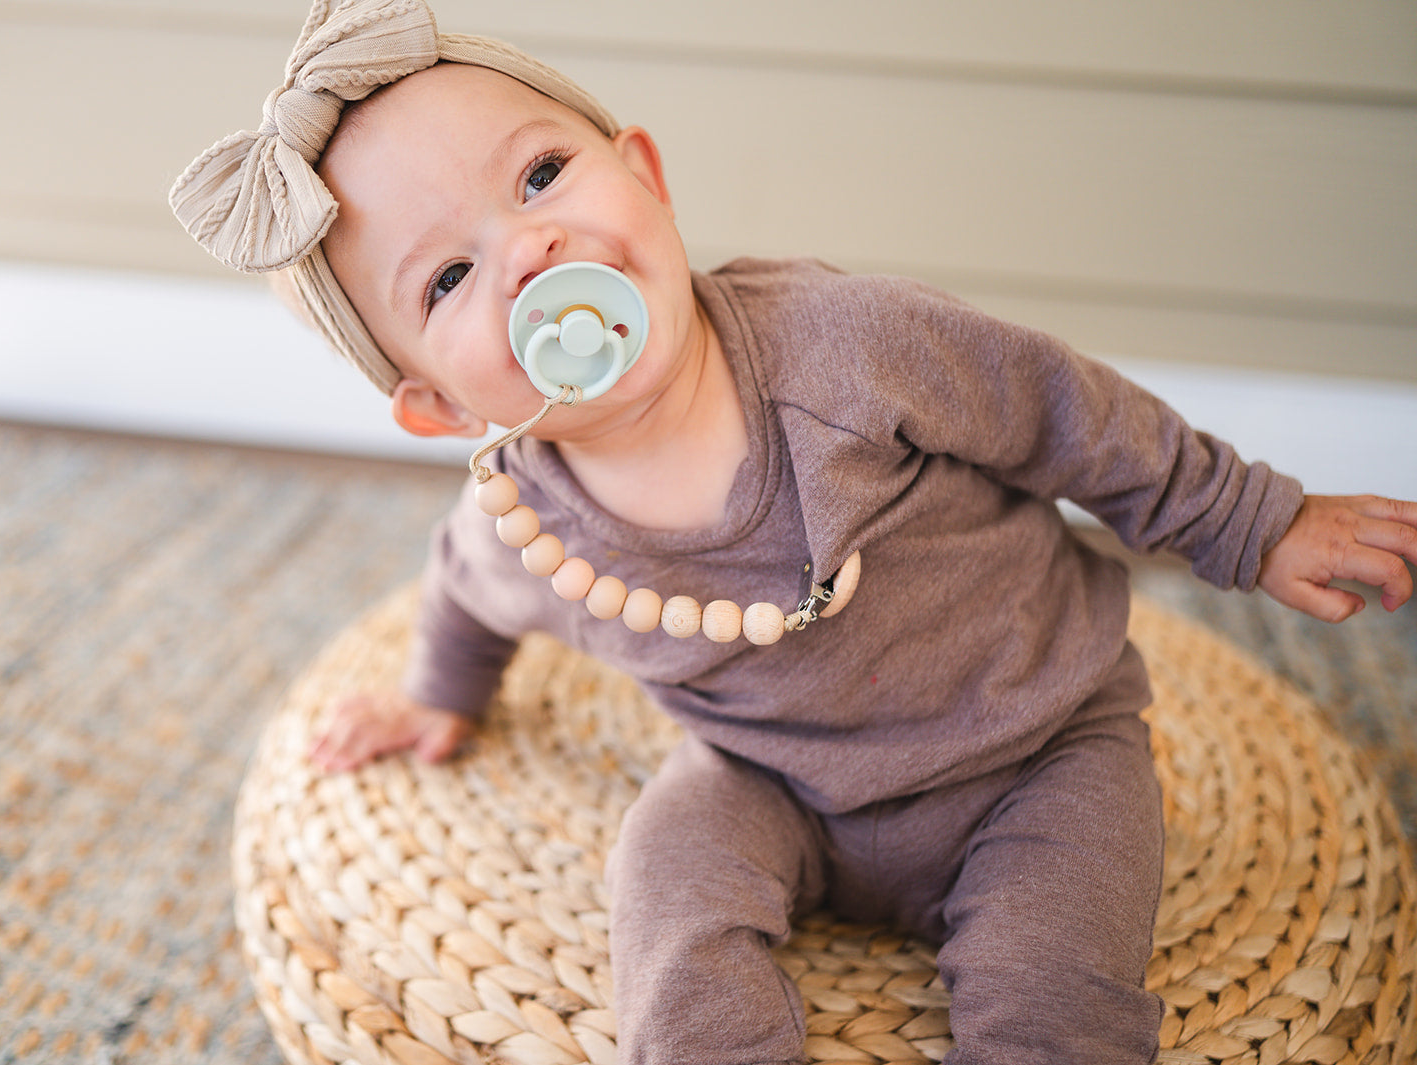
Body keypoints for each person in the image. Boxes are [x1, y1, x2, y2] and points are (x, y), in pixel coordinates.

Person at [170, 3, 1417, 1062]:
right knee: (663, 911)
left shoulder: (849, 345)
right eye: (446, 279)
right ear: (439, 409)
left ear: (644, 174)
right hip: (768, 782)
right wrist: (441, 696)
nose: (531, 250)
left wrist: (1252, 521)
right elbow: (463, 594)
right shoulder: (525, 523)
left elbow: (1067, 417)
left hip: (1037, 745)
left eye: (542, 176)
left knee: (1057, 990)